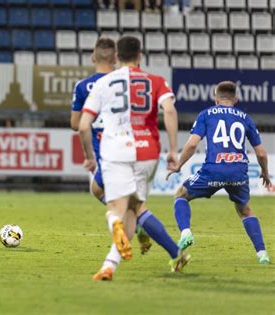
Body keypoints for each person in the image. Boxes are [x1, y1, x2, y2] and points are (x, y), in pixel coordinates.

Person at [79, 36, 189, 281]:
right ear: (140, 56)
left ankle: (114, 230)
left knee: (118, 210)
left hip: (115, 151)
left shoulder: (104, 83)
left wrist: (89, 156)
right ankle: (110, 266)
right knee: (135, 208)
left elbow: (83, 126)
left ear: (117, 57)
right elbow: (170, 110)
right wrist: (173, 150)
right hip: (147, 151)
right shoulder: (157, 81)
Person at [167, 81, 271, 265]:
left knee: (181, 195)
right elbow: (261, 153)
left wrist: (179, 165)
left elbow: (192, 144)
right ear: (236, 99)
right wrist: (265, 173)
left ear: (215, 98)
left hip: (213, 169)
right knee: (245, 210)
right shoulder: (245, 117)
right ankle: (262, 254)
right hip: (238, 171)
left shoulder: (206, 114)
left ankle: (186, 233)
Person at [70, 37, 152, 262]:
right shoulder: (126, 81)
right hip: (133, 146)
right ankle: (140, 229)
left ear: (93, 57)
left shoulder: (85, 86)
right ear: (115, 57)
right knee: (127, 200)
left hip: (106, 151)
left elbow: (76, 124)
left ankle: (128, 236)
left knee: (106, 194)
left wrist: (95, 119)